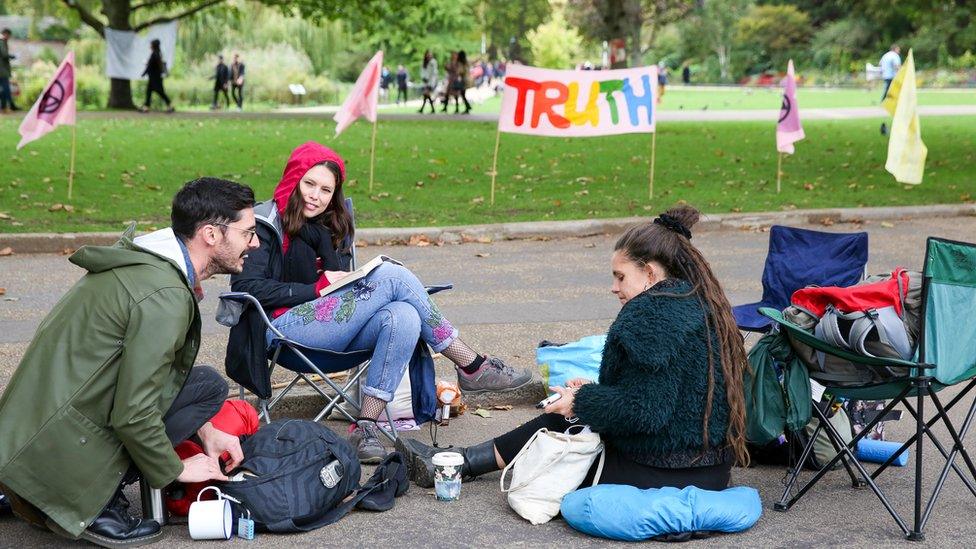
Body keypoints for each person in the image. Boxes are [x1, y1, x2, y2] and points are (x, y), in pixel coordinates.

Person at [398, 206, 750, 493]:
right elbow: (665, 395)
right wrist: (592, 395)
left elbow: (647, 411)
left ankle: (456, 464)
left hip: (663, 471)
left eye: (620, 276)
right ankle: (461, 462)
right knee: (566, 413)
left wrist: (581, 402)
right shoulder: (702, 304)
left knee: (560, 421)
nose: (614, 288)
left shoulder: (648, 315)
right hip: (712, 470)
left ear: (650, 272)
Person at [229, 142, 534, 464]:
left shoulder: (328, 227)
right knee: (392, 275)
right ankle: (472, 365)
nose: (315, 196)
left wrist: (328, 253)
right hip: (281, 330)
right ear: (294, 178)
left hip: (332, 328)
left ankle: (366, 427)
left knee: (404, 315)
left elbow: (343, 294)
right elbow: (248, 286)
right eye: (309, 183)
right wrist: (318, 288)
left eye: (326, 190)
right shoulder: (263, 224)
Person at [0, 178, 260, 547]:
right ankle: (93, 504)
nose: (256, 242)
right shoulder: (164, 296)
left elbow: (155, 382)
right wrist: (175, 468)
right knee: (199, 389)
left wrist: (204, 429)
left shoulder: (144, 265)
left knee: (205, 386)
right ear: (211, 235)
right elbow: (133, 411)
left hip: (20, 444)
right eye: (248, 232)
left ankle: (28, 486)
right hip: (55, 456)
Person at [140, 39, 174, 113]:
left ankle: (170, 105)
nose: (150, 46)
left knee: (160, 92)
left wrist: (144, 73)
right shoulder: (158, 53)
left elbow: (150, 66)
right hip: (156, 77)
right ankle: (146, 107)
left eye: (151, 44)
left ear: (153, 45)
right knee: (149, 92)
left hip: (155, 78)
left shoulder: (154, 54)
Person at [0, 28, 17, 113]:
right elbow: (4, 54)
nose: (9, 37)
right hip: (2, 70)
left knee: (3, 89)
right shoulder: (2, 41)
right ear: (6, 34)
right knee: (6, 88)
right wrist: (12, 56)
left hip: (2, 69)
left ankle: (3, 106)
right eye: (9, 35)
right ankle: (11, 105)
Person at [418, 50, 438, 114]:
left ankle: (424, 108)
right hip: (425, 81)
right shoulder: (424, 63)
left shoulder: (433, 62)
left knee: (426, 94)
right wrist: (423, 78)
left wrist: (431, 81)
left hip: (431, 81)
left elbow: (434, 72)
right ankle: (430, 109)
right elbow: (422, 71)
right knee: (426, 95)